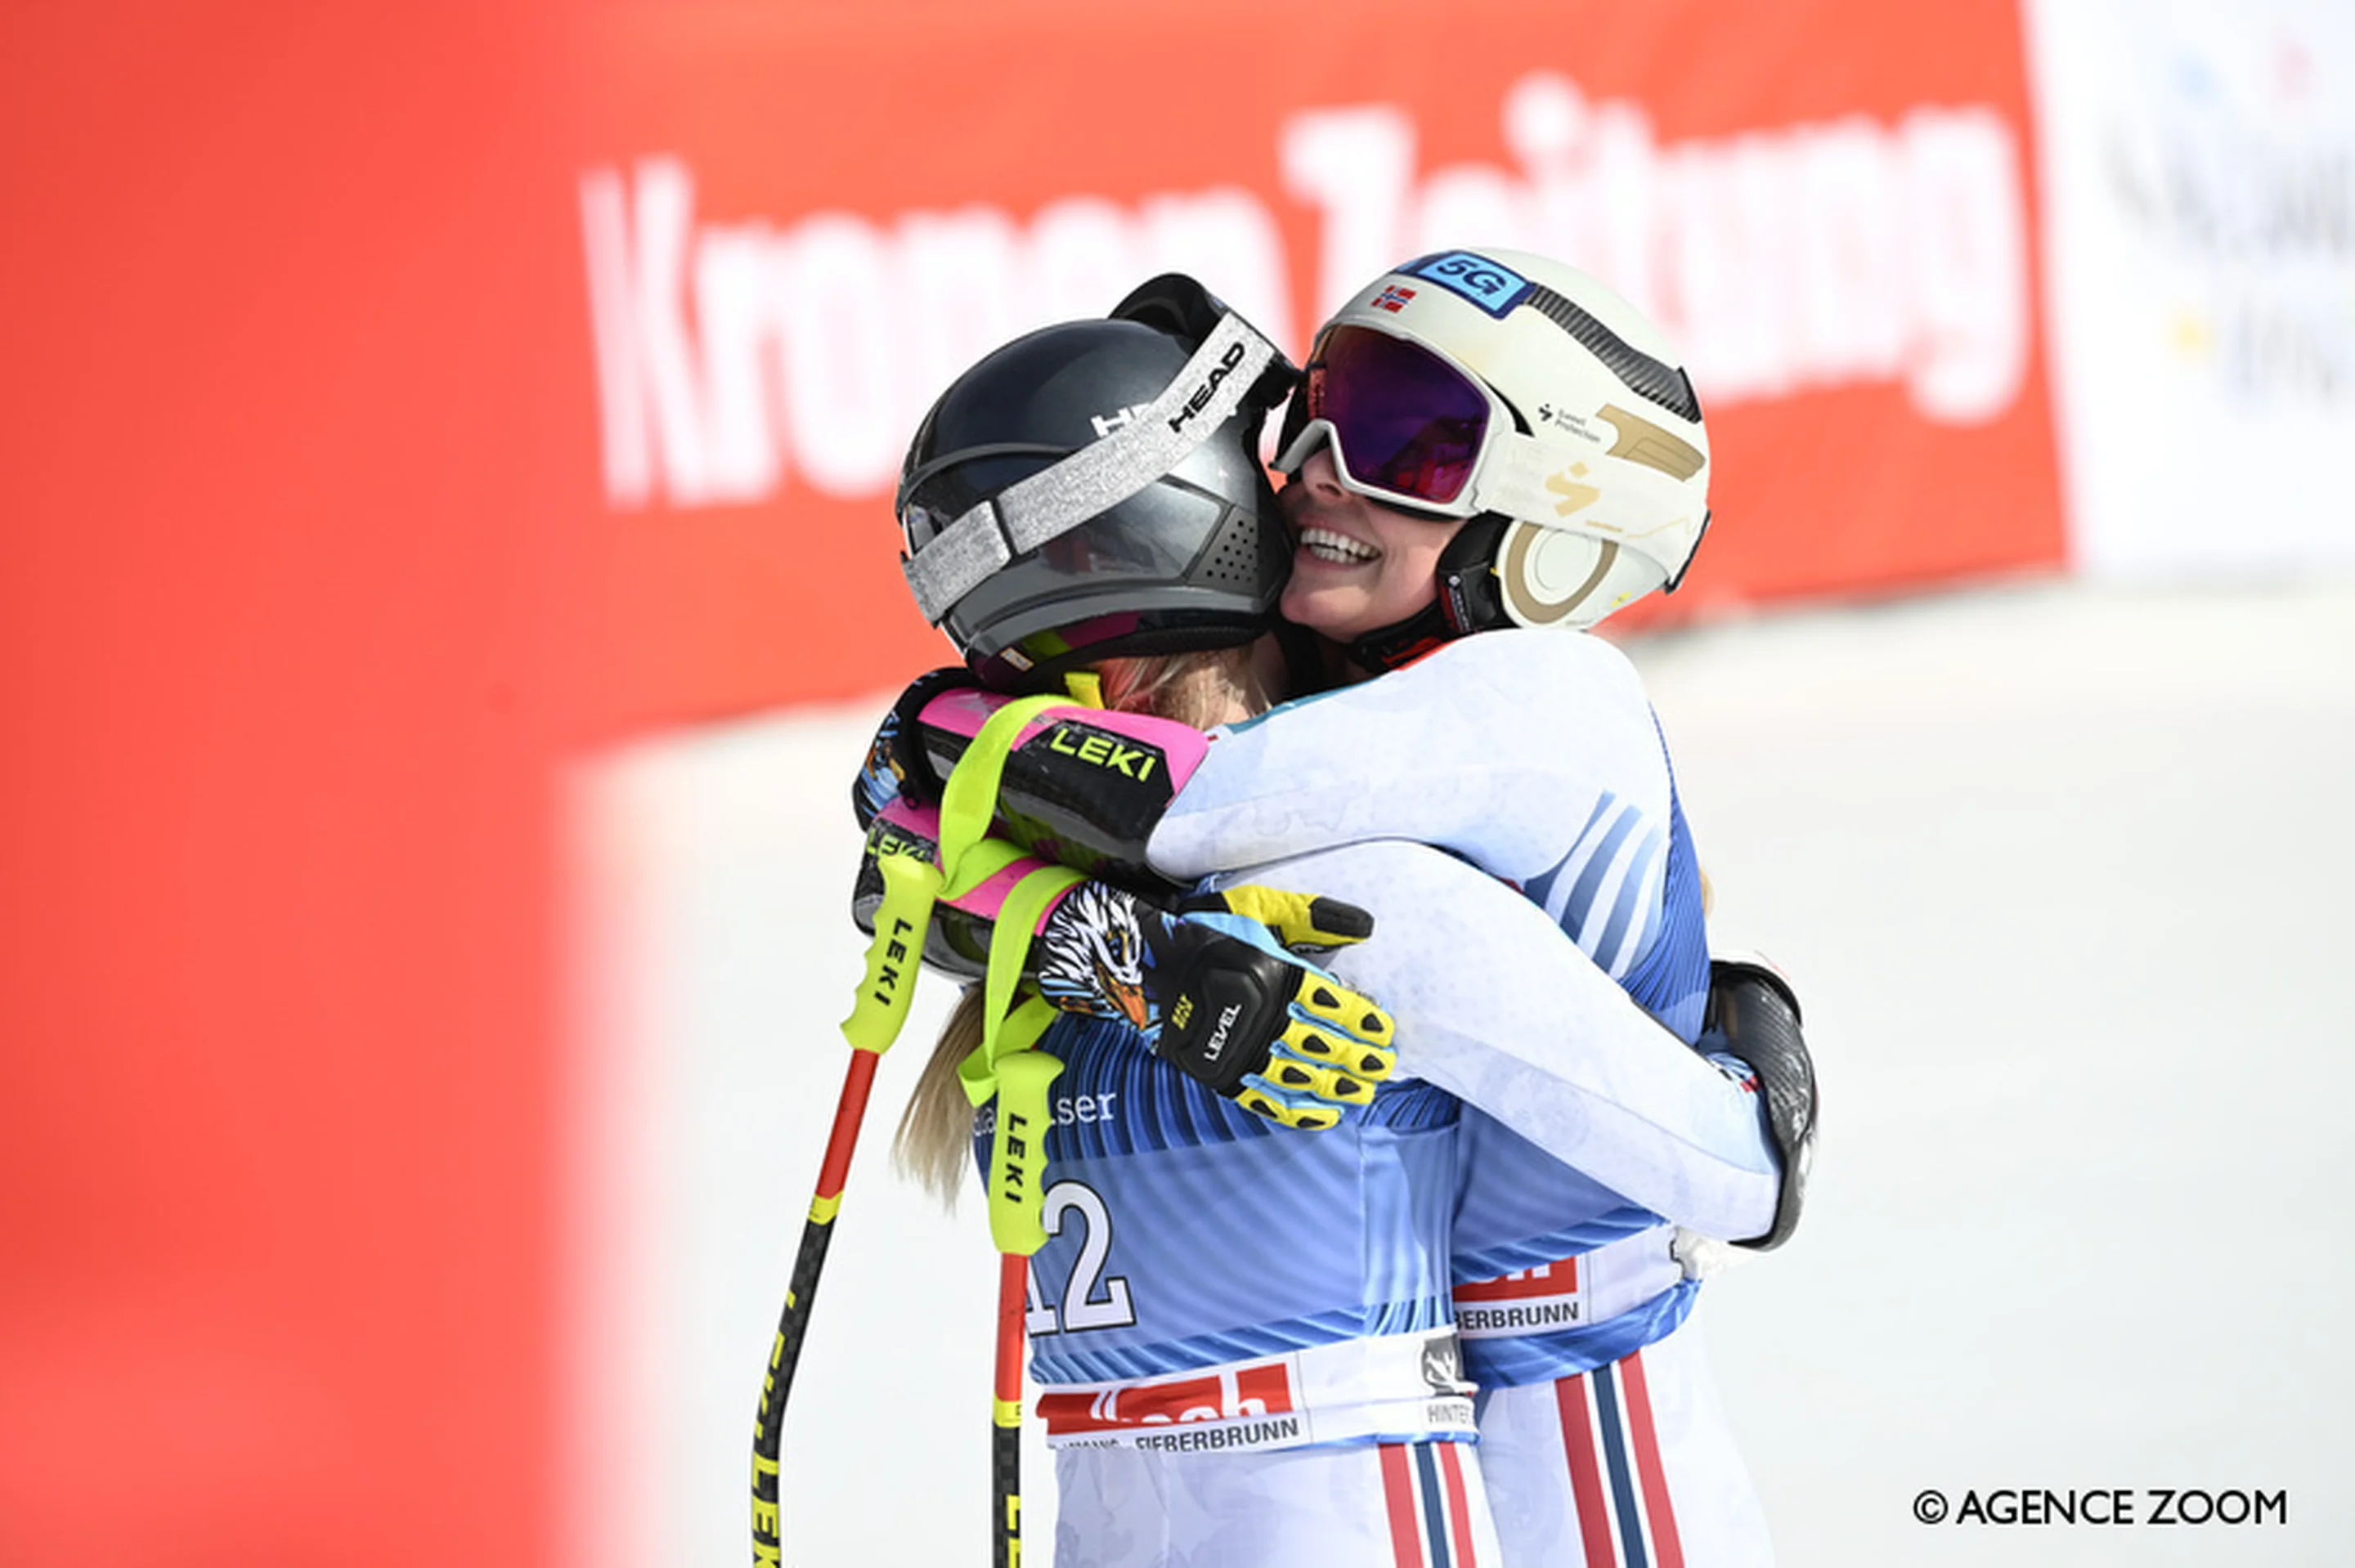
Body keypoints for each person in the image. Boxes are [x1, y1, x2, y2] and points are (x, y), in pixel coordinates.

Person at [865, 257, 1811, 1565]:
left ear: (1541, 516)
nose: (1311, 463)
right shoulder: (1319, 823)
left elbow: (1194, 799)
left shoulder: (1547, 706)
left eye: (1401, 441)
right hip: (1394, 1455)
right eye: (1312, 410)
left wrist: (958, 746)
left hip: (1590, 1469)